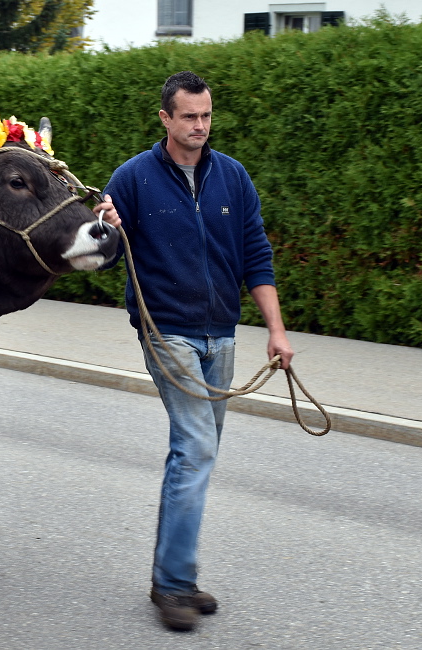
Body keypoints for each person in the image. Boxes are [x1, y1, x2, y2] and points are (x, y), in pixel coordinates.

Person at [94, 71, 294, 632]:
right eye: (189, 116)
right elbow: (110, 257)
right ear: (165, 118)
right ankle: (174, 585)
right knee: (197, 447)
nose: (200, 126)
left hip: (221, 331)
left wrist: (275, 331)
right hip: (167, 330)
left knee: (195, 453)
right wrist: (106, 227)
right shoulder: (132, 179)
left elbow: (256, 253)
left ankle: (173, 573)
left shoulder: (233, 177)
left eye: (206, 115)